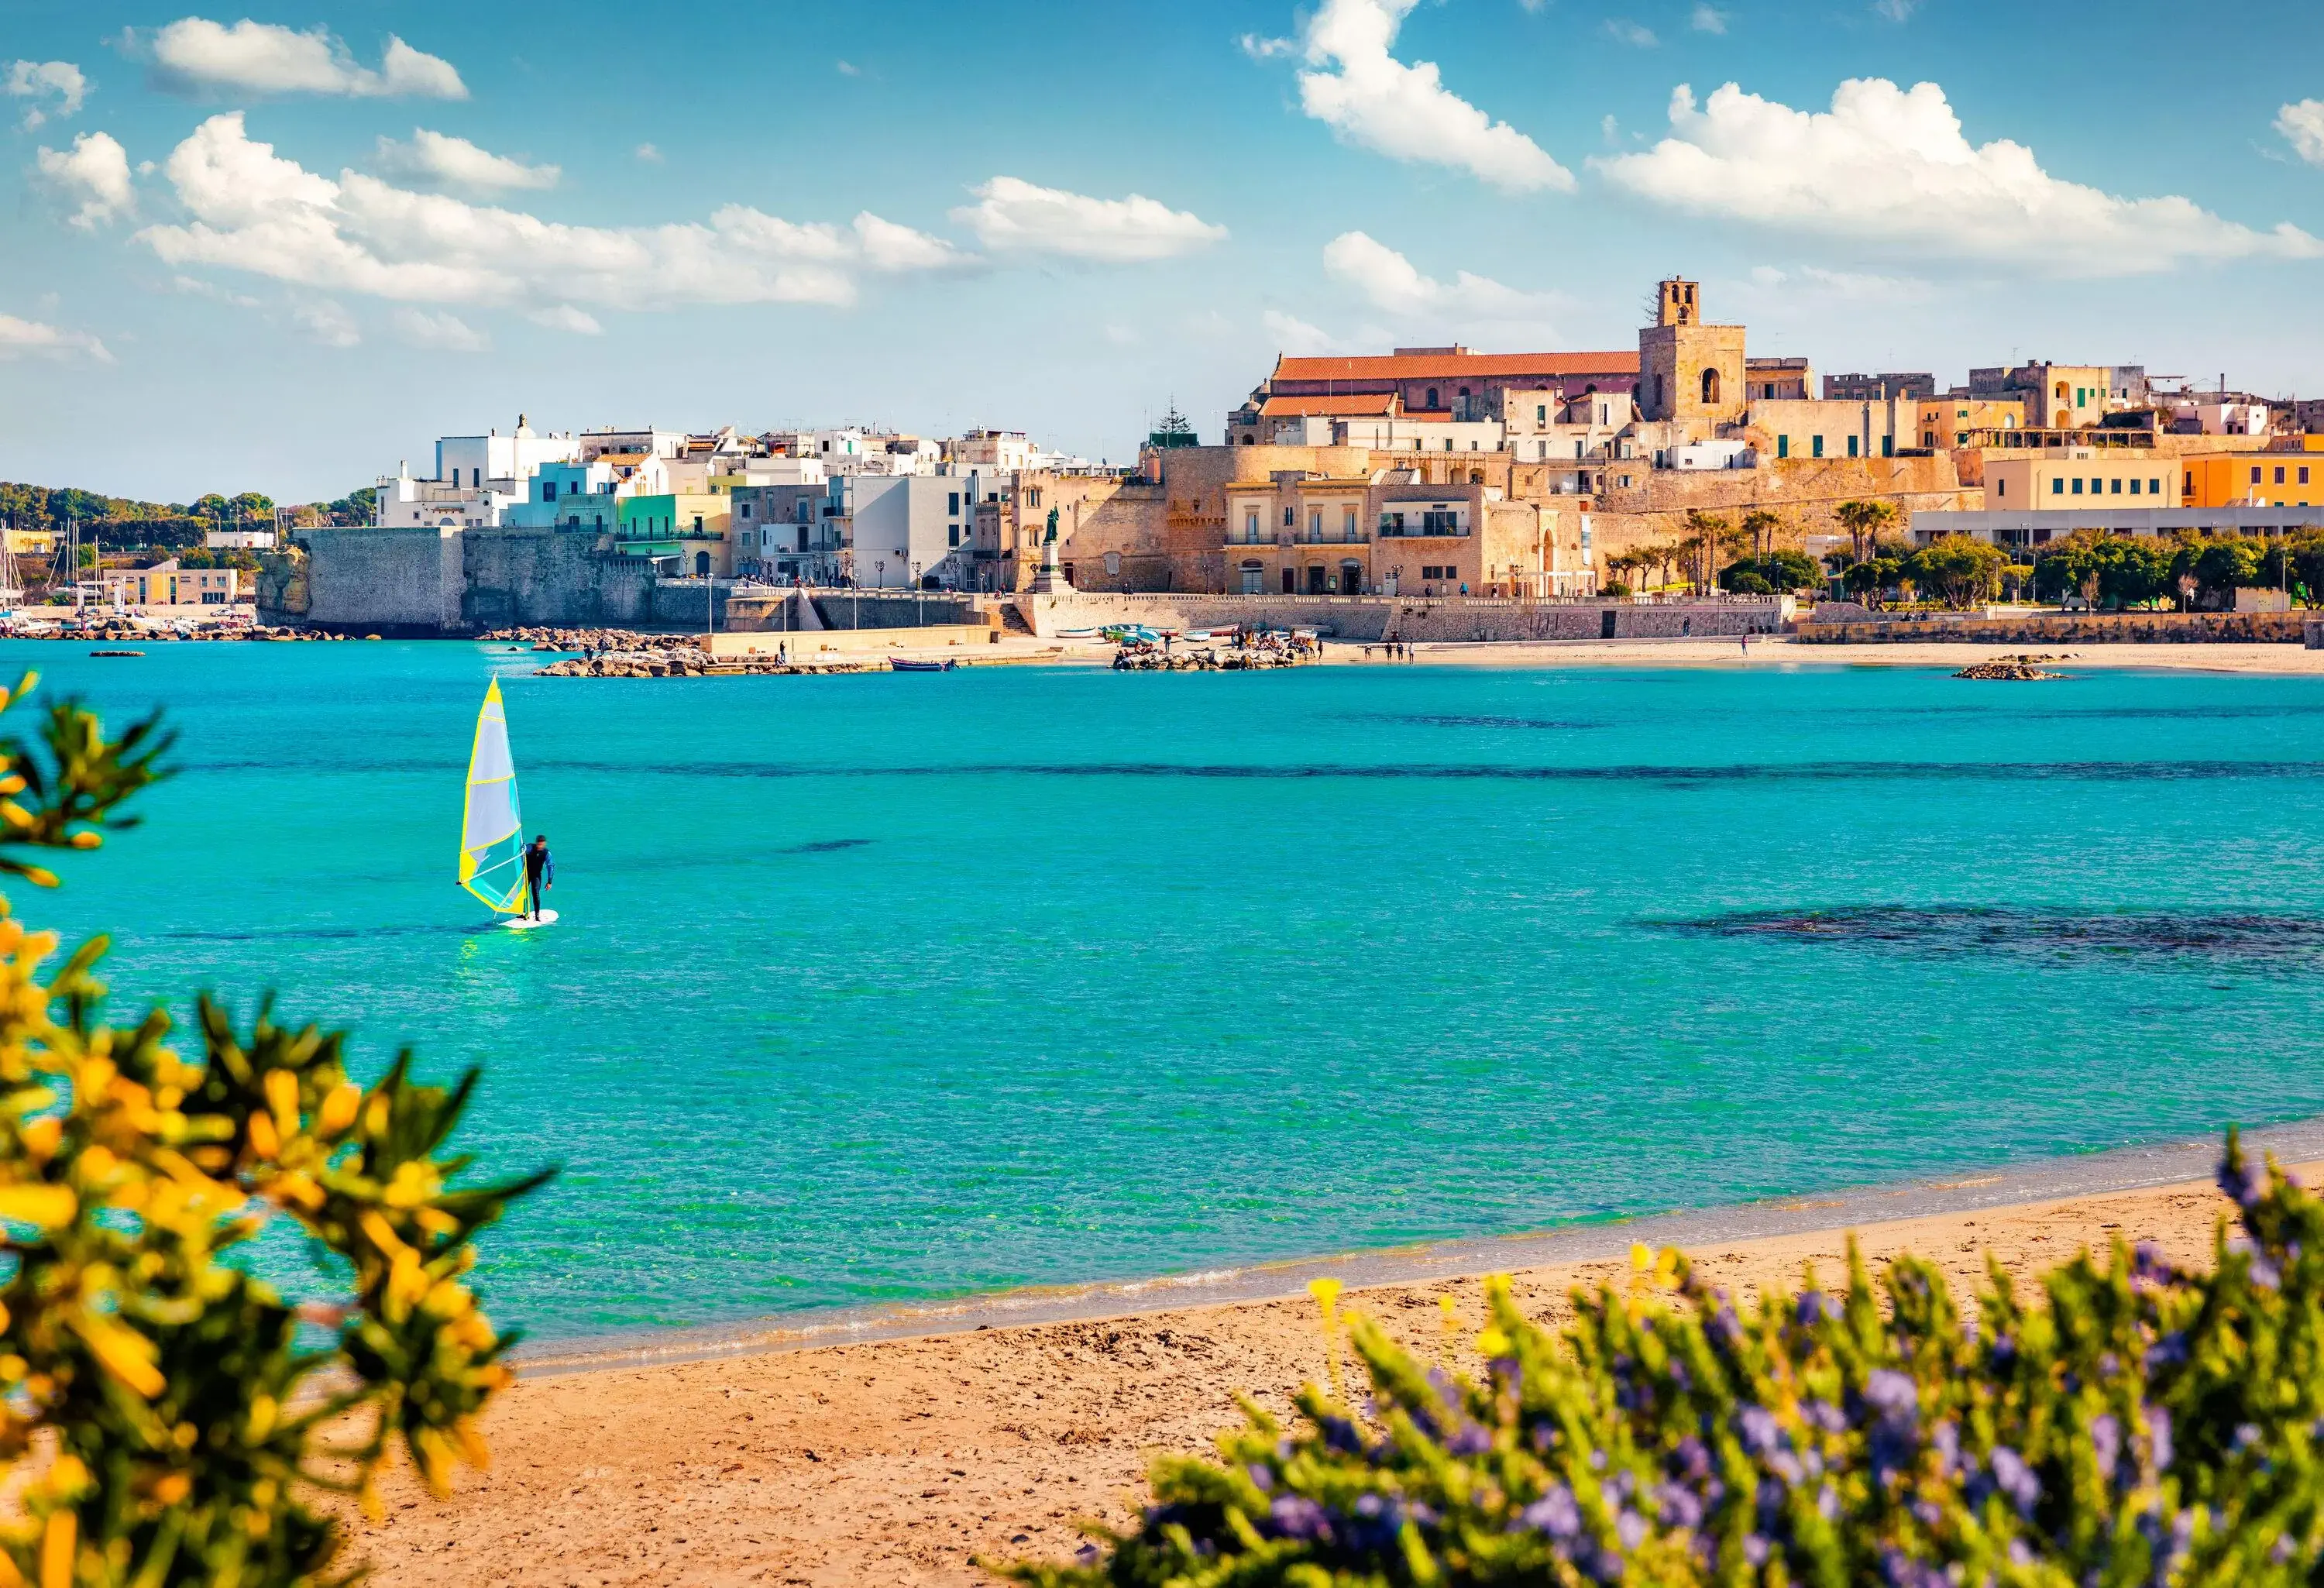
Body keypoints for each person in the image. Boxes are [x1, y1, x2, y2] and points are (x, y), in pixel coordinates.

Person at [523, 834, 553, 919]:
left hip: (536, 875)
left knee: (535, 893)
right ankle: (522, 912)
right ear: (536, 843)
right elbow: (523, 849)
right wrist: (523, 847)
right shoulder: (530, 848)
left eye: (542, 845)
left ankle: (537, 915)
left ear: (545, 844)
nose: (540, 846)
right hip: (526, 874)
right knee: (523, 893)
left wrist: (549, 881)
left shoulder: (547, 853)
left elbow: (550, 866)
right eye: (539, 844)